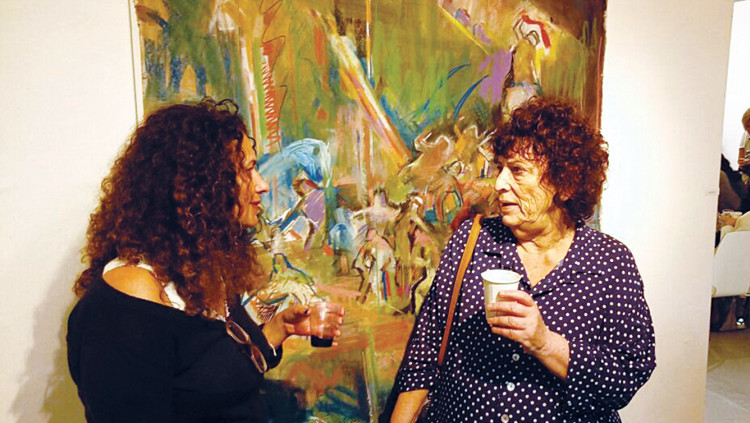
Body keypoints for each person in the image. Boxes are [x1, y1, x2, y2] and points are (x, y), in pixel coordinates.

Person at [67, 99, 344, 422]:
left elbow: (216, 377)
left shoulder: (199, 271)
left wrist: (276, 330)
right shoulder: (130, 303)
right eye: (246, 170)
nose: (262, 185)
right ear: (200, 184)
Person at [390, 98, 656, 422]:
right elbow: (425, 354)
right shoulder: (472, 241)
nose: (500, 184)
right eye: (500, 168)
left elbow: (627, 375)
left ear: (565, 183)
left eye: (517, 170)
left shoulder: (610, 262)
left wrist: (545, 343)